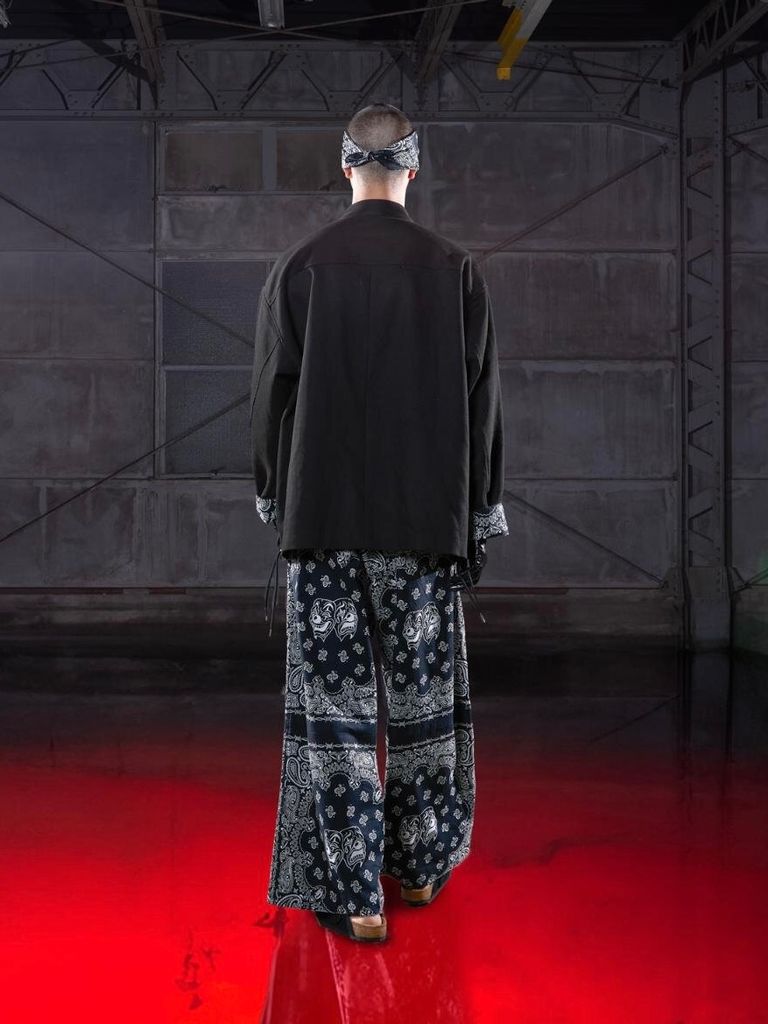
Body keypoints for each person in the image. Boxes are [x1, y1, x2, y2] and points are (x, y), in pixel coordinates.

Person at [249, 102, 507, 943]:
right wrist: (480, 511)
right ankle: (421, 871)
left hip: (324, 522)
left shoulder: (300, 266)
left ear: (345, 167)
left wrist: (273, 495)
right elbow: (482, 404)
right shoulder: (455, 270)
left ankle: (356, 896)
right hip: (426, 527)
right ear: (413, 169)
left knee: (334, 715)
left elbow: (272, 395)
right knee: (426, 707)